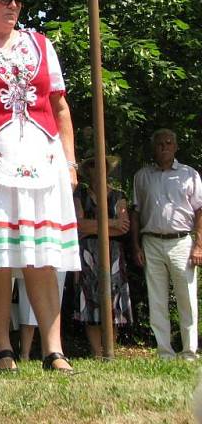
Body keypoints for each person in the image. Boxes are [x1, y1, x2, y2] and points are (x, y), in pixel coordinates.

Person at [0, 0, 80, 373]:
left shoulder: (41, 45)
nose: (13, 6)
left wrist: (69, 161)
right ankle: (2, 348)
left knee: (43, 258)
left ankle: (54, 349)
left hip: (43, 160)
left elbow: (60, 107)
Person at [132, 129, 202, 360]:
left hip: (181, 241)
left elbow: (199, 211)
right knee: (157, 298)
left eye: (169, 143)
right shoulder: (143, 176)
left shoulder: (189, 174)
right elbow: (136, 213)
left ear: (176, 146)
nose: (164, 147)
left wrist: (199, 245)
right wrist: (136, 246)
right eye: (160, 143)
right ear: (154, 147)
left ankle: (189, 351)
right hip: (151, 241)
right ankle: (164, 352)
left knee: (187, 298)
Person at [73, 155, 133, 357]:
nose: (97, 169)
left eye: (101, 165)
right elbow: (79, 225)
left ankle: (110, 349)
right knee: (90, 297)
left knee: (113, 298)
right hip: (88, 252)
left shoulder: (119, 195)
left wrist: (96, 226)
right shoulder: (80, 194)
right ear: (87, 170)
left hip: (113, 252)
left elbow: (124, 227)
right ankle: (95, 351)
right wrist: (111, 223)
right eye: (92, 165)